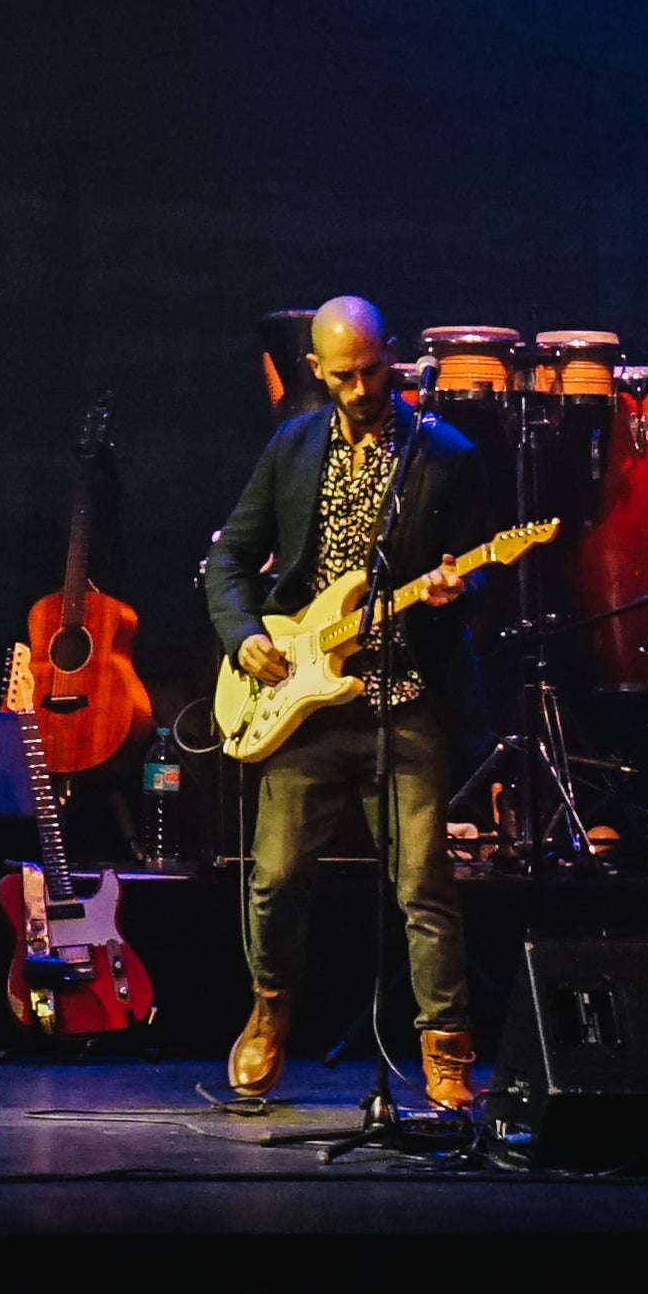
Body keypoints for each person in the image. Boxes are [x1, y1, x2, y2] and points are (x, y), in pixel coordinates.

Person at [200, 294, 505, 1113]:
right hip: (305, 699)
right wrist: (244, 637)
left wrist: (456, 586)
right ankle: (270, 1014)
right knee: (275, 878)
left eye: (373, 370)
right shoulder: (294, 445)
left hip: (404, 699)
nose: (362, 387)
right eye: (344, 374)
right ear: (315, 370)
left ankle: (446, 1051)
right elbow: (227, 561)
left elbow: (483, 571)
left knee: (424, 887)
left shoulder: (445, 452)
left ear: (394, 358)